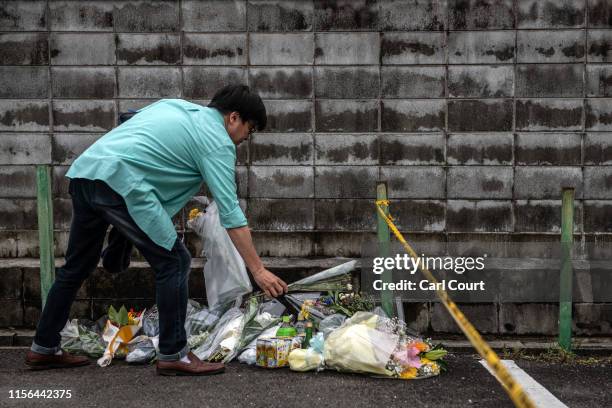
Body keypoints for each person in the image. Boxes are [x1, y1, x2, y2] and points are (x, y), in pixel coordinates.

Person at [25, 85, 289, 375]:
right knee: (175, 262)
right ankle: (174, 353)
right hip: (123, 185)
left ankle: (44, 347)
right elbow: (231, 213)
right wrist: (259, 271)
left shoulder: (175, 106)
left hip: (87, 172)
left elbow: (129, 119)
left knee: (76, 266)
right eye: (249, 130)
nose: (245, 138)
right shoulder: (217, 142)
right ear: (234, 118)